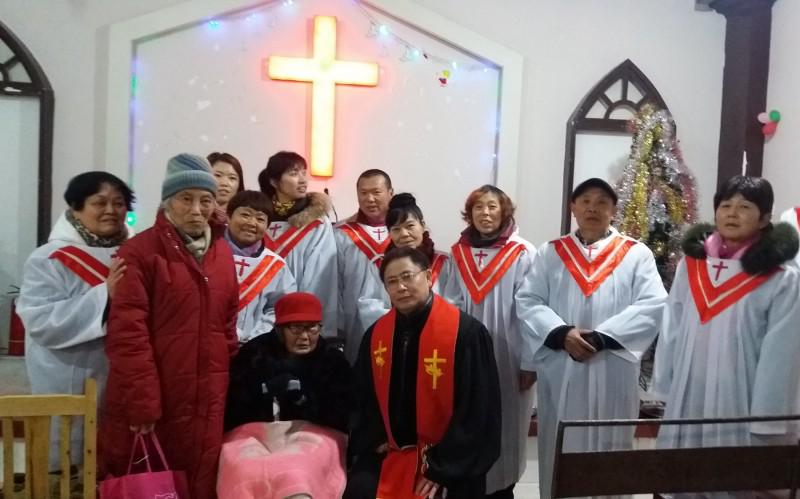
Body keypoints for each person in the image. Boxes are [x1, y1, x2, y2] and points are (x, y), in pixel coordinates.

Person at [516, 178, 667, 499]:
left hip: (611, 366)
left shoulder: (635, 254)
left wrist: (602, 338)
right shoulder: (551, 253)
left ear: (613, 210)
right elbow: (528, 300)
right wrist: (561, 334)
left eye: (601, 202)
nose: (592, 208)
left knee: (610, 450)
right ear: (573, 207)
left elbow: (653, 303)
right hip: (562, 367)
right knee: (561, 448)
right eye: (585, 200)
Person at [99, 153, 239, 499]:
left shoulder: (222, 254)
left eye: (205, 200)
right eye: (185, 199)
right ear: (168, 202)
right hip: (156, 401)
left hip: (207, 399)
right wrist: (143, 402)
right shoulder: (140, 252)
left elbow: (228, 327)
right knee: (153, 483)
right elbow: (128, 334)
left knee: (200, 481)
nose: (196, 209)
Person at [654, 176, 800, 455]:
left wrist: (767, 417)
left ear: (764, 218)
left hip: (740, 394)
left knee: (730, 473)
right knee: (681, 471)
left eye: (745, 207)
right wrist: (666, 384)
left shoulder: (781, 278)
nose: (732, 213)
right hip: (689, 389)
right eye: (725, 205)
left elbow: (781, 354)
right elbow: (673, 322)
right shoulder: (692, 265)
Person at [345, 247, 501, 499]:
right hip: (392, 451)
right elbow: (362, 397)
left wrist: (443, 468)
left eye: (408, 276)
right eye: (392, 281)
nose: (401, 287)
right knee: (358, 491)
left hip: (449, 458)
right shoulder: (376, 336)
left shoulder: (466, 334)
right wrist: (374, 438)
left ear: (428, 277)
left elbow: (479, 411)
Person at [17, 171, 133, 468]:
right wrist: (105, 294)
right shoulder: (49, 258)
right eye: (99, 202)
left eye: (119, 203)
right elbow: (41, 321)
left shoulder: (134, 255)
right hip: (67, 375)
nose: (111, 210)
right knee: (67, 467)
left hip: (121, 380)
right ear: (76, 207)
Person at [443, 185, 536, 498]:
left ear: (504, 211)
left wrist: (529, 361)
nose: (485, 213)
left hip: (508, 352)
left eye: (492, 207)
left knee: (507, 420)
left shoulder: (523, 252)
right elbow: (451, 302)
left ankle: (504, 485)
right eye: (478, 207)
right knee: (468, 414)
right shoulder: (458, 253)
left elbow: (530, 310)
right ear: (469, 214)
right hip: (465, 354)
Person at [218, 292, 353, 499]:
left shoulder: (331, 360)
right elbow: (232, 407)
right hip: (254, 433)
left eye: (311, 327)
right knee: (244, 468)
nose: (305, 336)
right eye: (296, 328)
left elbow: (343, 414)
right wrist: (261, 391)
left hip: (314, 433)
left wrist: (303, 399)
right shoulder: (255, 353)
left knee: (296, 470)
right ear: (280, 330)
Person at [258, 151, 338, 336]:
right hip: (257, 321)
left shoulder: (316, 223)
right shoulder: (260, 219)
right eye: (294, 174)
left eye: (304, 173)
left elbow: (320, 278)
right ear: (274, 182)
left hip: (298, 322)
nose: (302, 180)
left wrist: (301, 319)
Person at [356, 193, 451, 348]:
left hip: (437, 337)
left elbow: (454, 303)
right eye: (396, 229)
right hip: (394, 339)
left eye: (410, 226)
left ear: (422, 225)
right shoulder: (379, 263)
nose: (404, 234)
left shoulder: (444, 262)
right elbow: (369, 305)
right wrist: (402, 325)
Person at [335, 169, 394, 360]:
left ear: (390, 193)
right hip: (354, 322)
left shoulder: (405, 233)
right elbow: (335, 283)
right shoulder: (341, 233)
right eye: (363, 193)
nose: (369, 199)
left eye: (376, 192)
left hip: (398, 319)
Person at [224, 190, 296, 343]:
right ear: (228, 216)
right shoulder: (209, 255)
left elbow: (278, 308)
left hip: (253, 348)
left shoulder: (274, 265)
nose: (252, 223)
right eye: (245, 215)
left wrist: (257, 337)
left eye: (260, 219)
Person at [208, 151, 245, 222]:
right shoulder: (195, 214)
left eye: (232, 178)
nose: (224, 183)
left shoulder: (247, 220)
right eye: (218, 175)